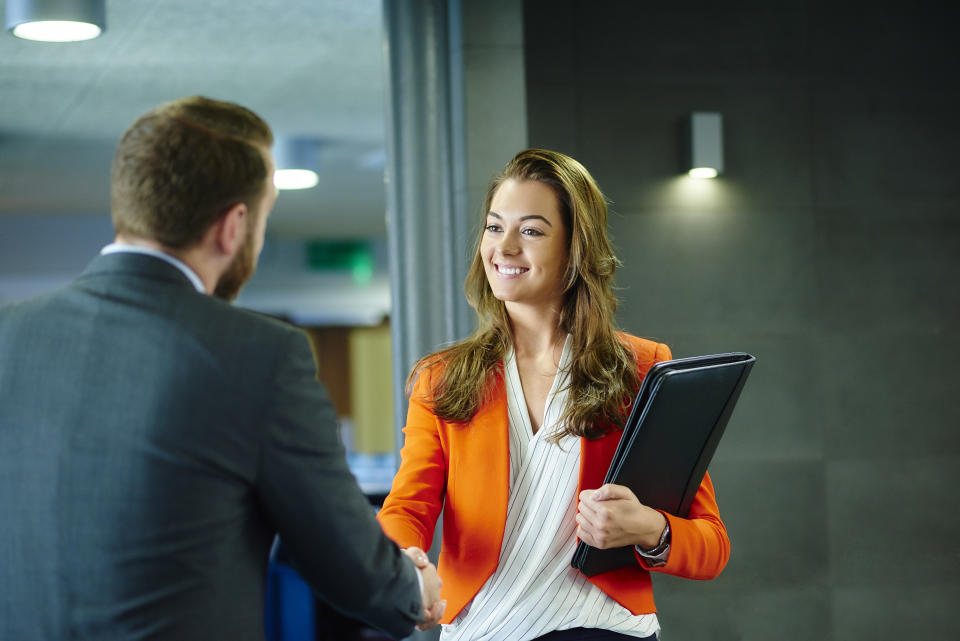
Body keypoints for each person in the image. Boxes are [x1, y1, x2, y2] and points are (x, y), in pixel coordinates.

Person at [0, 96, 443, 641]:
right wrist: (412, 590)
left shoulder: (9, 333)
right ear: (233, 226)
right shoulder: (257, 354)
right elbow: (345, 557)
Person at [377, 149, 730, 641]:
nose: (505, 247)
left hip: (605, 630)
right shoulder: (443, 378)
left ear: (574, 248)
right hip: (482, 630)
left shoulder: (642, 368)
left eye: (533, 231)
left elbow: (711, 544)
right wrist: (405, 564)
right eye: (495, 227)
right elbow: (408, 508)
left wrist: (649, 527)